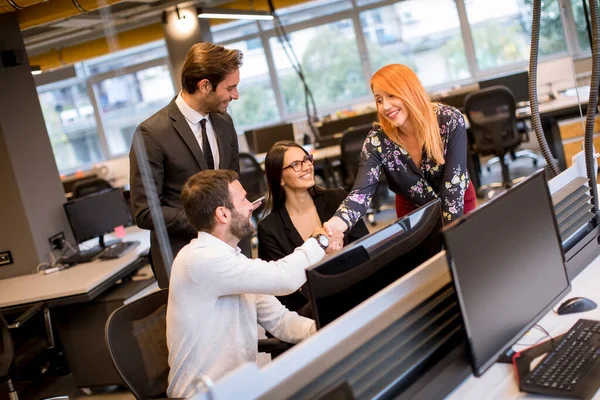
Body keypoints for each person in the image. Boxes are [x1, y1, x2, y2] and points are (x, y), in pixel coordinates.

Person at [166, 170, 342, 398]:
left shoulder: (231, 260)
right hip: (205, 395)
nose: (251, 206)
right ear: (223, 214)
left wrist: (325, 331)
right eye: (243, 200)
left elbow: (279, 321)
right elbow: (285, 278)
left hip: (241, 389)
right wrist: (319, 241)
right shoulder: (199, 259)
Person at [129, 42, 249, 289]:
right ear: (204, 86)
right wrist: (209, 222)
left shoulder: (225, 123)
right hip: (185, 260)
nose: (235, 95)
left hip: (233, 254)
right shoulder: (151, 133)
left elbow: (234, 187)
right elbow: (145, 212)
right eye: (231, 87)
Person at [324, 64, 477, 236]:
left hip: (457, 201)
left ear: (410, 91)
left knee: (462, 252)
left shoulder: (449, 119)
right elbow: (360, 194)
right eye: (379, 100)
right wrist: (332, 227)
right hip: (413, 210)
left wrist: (451, 236)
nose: (386, 106)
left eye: (391, 95)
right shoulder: (378, 139)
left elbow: (452, 188)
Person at [258, 141, 369, 313]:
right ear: (279, 178)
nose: (307, 166)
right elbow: (281, 289)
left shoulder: (337, 199)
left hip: (358, 292)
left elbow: (365, 249)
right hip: (312, 310)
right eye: (296, 164)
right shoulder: (269, 228)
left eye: (307, 159)